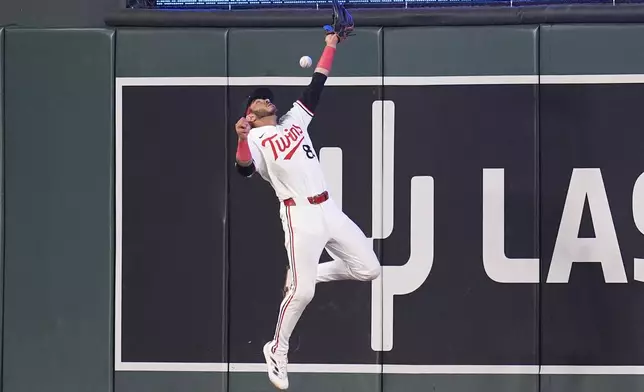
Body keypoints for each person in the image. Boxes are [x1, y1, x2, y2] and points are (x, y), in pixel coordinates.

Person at [234, 32, 381, 390]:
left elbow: (316, 86)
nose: (265, 101)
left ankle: (305, 274)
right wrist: (240, 138)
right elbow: (244, 170)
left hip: (327, 207)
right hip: (298, 215)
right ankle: (277, 349)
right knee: (302, 294)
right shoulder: (254, 138)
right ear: (249, 114)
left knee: (369, 269)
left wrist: (331, 43)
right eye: (257, 101)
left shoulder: (293, 122)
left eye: (267, 99)